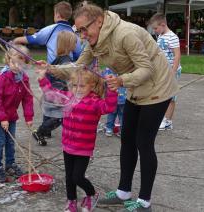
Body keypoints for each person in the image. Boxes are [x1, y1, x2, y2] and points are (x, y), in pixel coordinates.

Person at [66, 3, 179, 211]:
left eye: (84, 29)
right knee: (127, 139)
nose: (82, 35)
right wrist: (49, 68)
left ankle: (144, 202)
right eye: (78, 30)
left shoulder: (125, 34)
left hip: (157, 87)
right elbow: (78, 66)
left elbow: (147, 68)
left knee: (143, 143)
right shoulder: (96, 38)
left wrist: (120, 80)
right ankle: (123, 192)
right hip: (134, 88)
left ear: (99, 21)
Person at [36, 67, 117, 212]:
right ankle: (71, 201)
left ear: (91, 85)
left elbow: (109, 107)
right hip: (67, 145)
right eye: (74, 85)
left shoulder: (95, 102)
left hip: (83, 148)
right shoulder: (68, 98)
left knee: (78, 177)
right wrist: (42, 77)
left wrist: (112, 90)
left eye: (82, 86)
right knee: (69, 177)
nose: (77, 89)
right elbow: (50, 94)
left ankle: (92, 194)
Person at [0, 44, 34, 183]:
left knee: (10, 142)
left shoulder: (23, 79)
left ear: (24, 65)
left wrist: (29, 116)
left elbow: (27, 98)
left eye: (19, 64)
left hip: (11, 116)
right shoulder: (3, 77)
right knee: (0, 141)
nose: (15, 66)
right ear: (8, 60)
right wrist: (2, 118)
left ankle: (10, 164)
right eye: (13, 62)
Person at [32, 31, 78, 146]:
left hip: (54, 92)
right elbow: (67, 76)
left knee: (56, 114)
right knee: (61, 117)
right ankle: (40, 132)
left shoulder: (58, 59)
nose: (76, 44)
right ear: (69, 44)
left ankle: (45, 131)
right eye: (75, 42)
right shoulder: (66, 60)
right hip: (61, 94)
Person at [14, 1, 81, 64]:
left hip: (52, 70)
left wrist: (16, 40)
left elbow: (33, 39)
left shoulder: (51, 29)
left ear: (57, 15)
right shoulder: (74, 33)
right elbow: (78, 53)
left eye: (54, 14)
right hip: (67, 70)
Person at [149, 13, 181, 131]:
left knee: (171, 96)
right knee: (161, 95)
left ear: (163, 24)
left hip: (171, 71)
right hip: (162, 71)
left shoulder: (172, 37)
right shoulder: (161, 36)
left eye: (156, 28)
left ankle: (168, 121)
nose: (155, 31)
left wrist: (173, 72)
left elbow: (177, 55)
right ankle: (161, 118)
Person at [101, 67, 126, 137]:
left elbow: (103, 79)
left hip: (112, 99)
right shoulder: (125, 68)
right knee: (122, 115)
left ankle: (109, 129)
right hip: (124, 98)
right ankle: (122, 131)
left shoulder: (108, 69)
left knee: (111, 114)